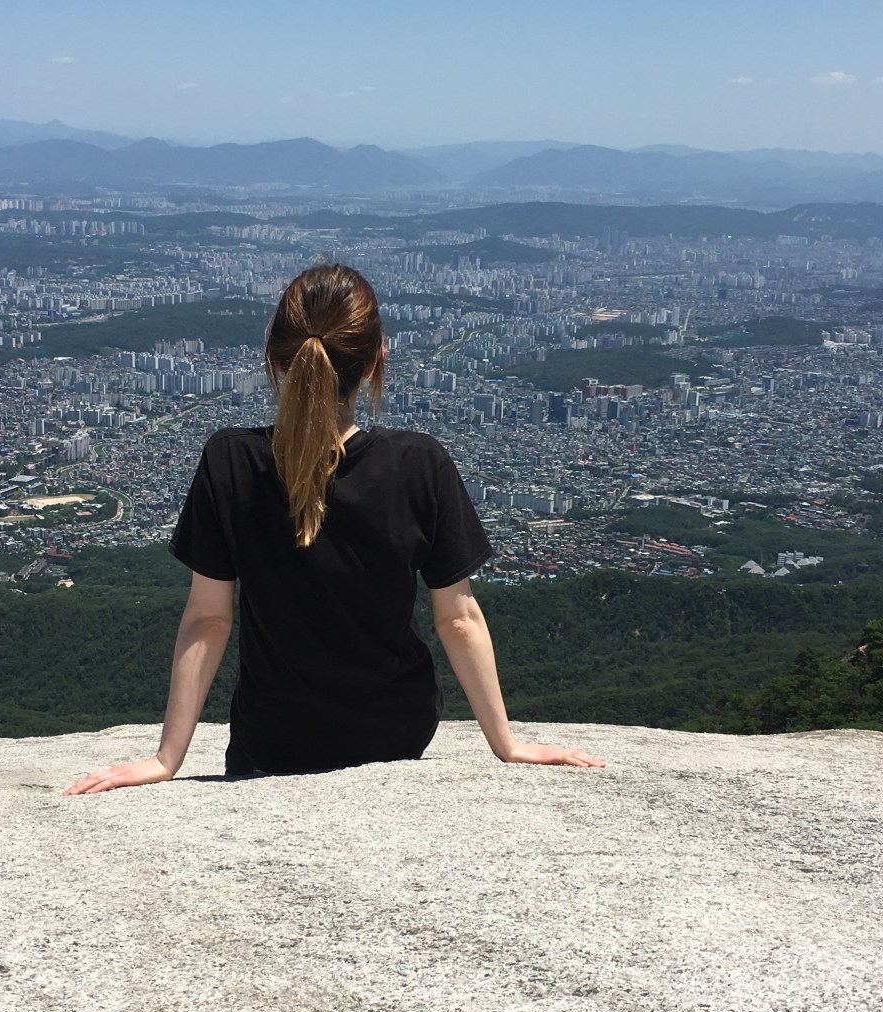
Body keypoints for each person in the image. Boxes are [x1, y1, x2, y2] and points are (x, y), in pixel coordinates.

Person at [65, 264, 604, 795]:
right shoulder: (419, 463)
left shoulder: (230, 461)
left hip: (273, 741)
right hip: (395, 732)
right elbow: (458, 620)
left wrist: (166, 759)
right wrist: (507, 744)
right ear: (376, 360)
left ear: (276, 358)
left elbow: (208, 620)